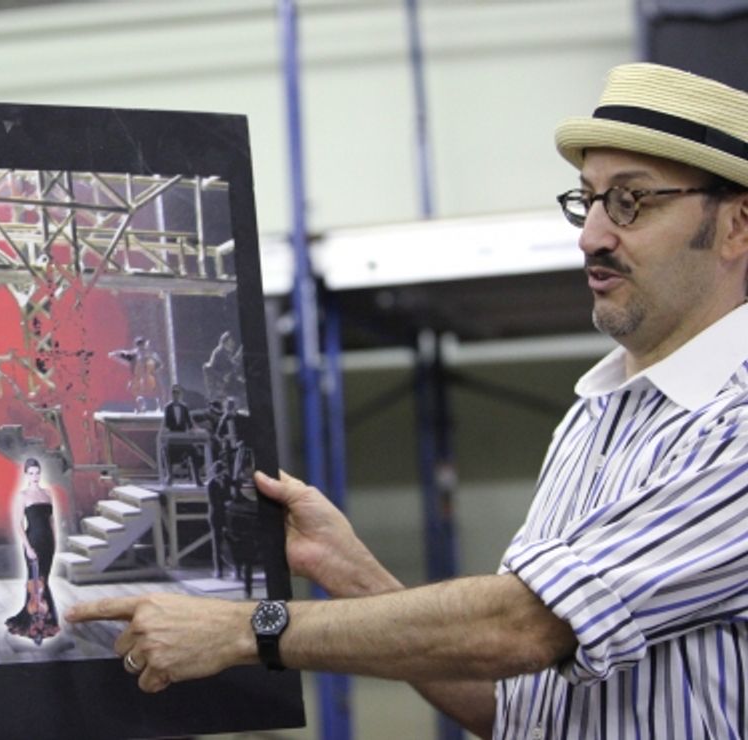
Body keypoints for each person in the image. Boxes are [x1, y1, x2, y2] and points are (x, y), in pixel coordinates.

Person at [68, 63, 748, 737]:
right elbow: (514, 709)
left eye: (631, 201)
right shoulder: (594, 418)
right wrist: (350, 570)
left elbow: (526, 626)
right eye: (587, 200)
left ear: (736, 227)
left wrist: (246, 629)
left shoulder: (736, 428)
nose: (592, 235)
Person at [5, 457, 61, 644]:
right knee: (35, 582)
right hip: (33, 541)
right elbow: (18, 524)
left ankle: (46, 621)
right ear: (26, 475)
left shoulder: (47, 494)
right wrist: (28, 547)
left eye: (37, 472)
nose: (35, 476)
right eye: (31, 473)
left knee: (44, 581)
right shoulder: (23, 496)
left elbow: (51, 521)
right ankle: (35, 625)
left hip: (48, 543)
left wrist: (55, 541)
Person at [108, 336, 164, 412]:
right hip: (140, 377)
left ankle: (159, 406)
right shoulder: (135, 354)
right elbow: (123, 354)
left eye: (142, 346)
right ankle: (142, 404)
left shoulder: (149, 354)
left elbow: (159, 365)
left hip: (149, 376)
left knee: (156, 389)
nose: (141, 349)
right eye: (140, 346)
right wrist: (114, 354)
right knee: (135, 388)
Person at [160, 384, 201, 485]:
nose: (175, 395)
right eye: (173, 393)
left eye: (177, 393)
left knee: (194, 452)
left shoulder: (184, 407)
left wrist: (192, 430)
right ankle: (169, 476)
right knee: (165, 452)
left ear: (180, 394)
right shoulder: (168, 407)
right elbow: (166, 423)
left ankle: (197, 478)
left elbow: (189, 422)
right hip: (172, 438)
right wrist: (165, 431)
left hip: (183, 437)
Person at [202, 331, 244, 406]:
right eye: (230, 341)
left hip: (228, 378)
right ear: (226, 341)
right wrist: (223, 376)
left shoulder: (226, 352)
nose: (233, 343)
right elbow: (211, 369)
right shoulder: (219, 352)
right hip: (223, 381)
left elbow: (232, 365)